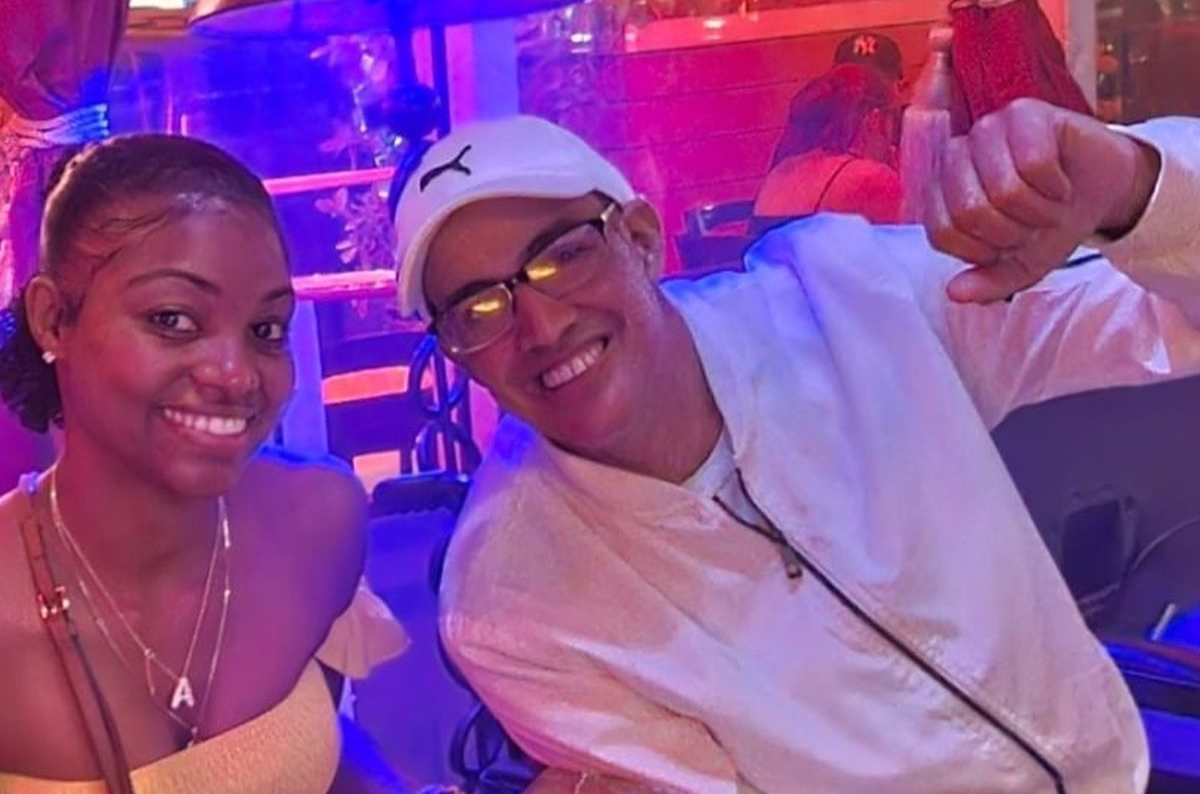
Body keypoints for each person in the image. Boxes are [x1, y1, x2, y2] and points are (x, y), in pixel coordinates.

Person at [388, 95, 1200, 793]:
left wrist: (1130, 183)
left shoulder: (848, 296)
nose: (540, 325)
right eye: (478, 309)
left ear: (640, 237)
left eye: (562, 255)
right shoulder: (512, 607)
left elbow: (1159, 313)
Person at [0, 135, 408, 793]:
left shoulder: (317, 521)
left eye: (265, 330)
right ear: (52, 320)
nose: (236, 375)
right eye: (174, 319)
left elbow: (309, 751)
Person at [752, 62, 903, 229]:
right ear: (875, 120)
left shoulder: (781, 170)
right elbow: (915, 238)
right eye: (893, 122)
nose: (892, 141)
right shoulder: (871, 178)